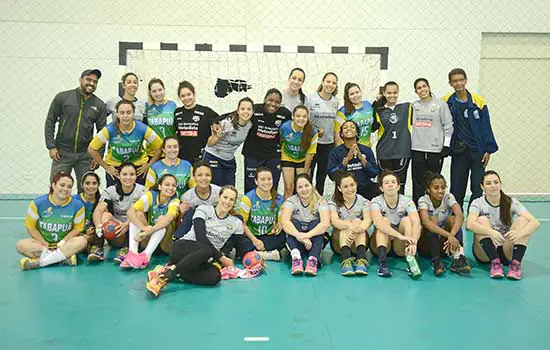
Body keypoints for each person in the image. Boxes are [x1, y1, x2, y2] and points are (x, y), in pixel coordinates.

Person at [145, 186, 243, 297]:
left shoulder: (236, 223)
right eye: (225, 197)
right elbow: (201, 236)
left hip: (201, 259)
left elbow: (240, 244)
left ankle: (167, 270)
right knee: (206, 249)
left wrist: (256, 257)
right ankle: (167, 277)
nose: (227, 202)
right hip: (183, 248)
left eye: (231, 199)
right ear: (219, 197)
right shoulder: (204, 209)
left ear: (234, 203)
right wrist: (221, 257)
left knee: (215, 277)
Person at [467, 171, 540, 280]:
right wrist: (491, 232)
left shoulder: (511, 202)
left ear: (500, 184)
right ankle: (495, 263)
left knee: (523, 221)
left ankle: (515, 265)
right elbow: (469, 224)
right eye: (488, 183)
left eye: (496, 182)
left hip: (505, 248)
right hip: (485, 252)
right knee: (481, 220)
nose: (493, 186)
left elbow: (535, 223)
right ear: (482, 187)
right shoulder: (478, 203)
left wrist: (520, 233)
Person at [443, 68, 498, 210]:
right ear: (450, 83)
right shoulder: (446, 102)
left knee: (477, 187)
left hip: (477, 152)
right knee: (457, 187)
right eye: (455, 81)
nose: (459, 83)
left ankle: (474, 216)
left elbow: (486, 126)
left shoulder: (478, 101)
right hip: (458, 151)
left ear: (466, 80)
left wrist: (488, 150)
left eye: (461, 80)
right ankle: (456, 217)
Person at [44, 69, 107, 193]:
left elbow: (102, 133)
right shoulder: (62, 97)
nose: (91, 83)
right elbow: (50, 121)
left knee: (87, 192)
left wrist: (98, 155)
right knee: (57, 189)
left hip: (85, 156)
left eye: (95, 81)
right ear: (81, 79)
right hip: (62, 153)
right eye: (88, 79)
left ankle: (85, 213)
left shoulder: (99, 105)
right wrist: (51, 146)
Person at [17, 172, 88, 270]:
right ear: (53, 185)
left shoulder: (77, 205)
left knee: (82, 241)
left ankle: (41, 262)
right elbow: (31, 227)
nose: (65, 189)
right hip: (43, 245)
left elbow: (77, 229)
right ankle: (61, 259)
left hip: (65, 244)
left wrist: (62, 243)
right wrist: (45, 243)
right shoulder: (37, 203)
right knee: (21, 245)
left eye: (69, 187)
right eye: (62, 185)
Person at [88, 100, 163, 186]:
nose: (125, 116)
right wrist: (106, 167)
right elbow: (91, 149)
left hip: (138, 168)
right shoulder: (109, 129)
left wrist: (149, 165)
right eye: (122, 113)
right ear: (117, 114)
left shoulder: (142, 128)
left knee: (139, 197)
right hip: (115, 169)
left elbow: (160, 147)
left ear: (133, 113)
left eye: (128, 112)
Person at [417, 173, 471, 276]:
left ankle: (458, 258)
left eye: (443, 187)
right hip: (427, 246)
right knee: (432, 221)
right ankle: (436, 261)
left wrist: (452, 234)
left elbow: (460, 215)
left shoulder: (448, 197)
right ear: (428, 190)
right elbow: (425, 222)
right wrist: (449, 235)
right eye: (436, 188)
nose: (440, 191)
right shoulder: (423, 200)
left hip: (446, 245)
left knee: (453, 219)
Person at [92, 163, 146, 262]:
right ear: (118, 176)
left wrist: (127, 224)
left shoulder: (142, 190)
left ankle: (127, 250)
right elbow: (98, 210)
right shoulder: (110, 190)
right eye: (124, 174)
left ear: (136, 176)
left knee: (138, 215)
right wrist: (98, 226)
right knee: (105, 215)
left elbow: (144, 214)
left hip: (134, 230)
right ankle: (98, 248)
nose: (128, 178)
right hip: (117, 231)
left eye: (132, 174)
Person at [411, 78, 454, 203]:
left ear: (429, 87)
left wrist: (446, 145)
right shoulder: (414, 106)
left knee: (433, 181)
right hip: (417, 149)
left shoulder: (441, 105)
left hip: (435, 150)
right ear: (416, 91)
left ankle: (433, 208)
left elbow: (448, 126)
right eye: (419, 88)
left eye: (424, 86)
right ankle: (418, 209)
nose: (422, 89)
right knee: (418, 181)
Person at [124, 174, 180, 269]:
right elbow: (130, 212)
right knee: (137, 214)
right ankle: (133, 252)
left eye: (174, 185)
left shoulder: (175, 200)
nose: (171, 188)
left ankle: (146, 256)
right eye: (167, 184)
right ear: (159, 186)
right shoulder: (150, 195)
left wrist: (147, 232)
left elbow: (169, 218)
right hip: (149, 240)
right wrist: (143, 228)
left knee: (163, 219)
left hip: (165, 244)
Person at [369, 171, 419, 278]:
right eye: (386, 183)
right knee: (384, 221)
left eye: (393, 182)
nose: (390, 184)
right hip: (381, 245)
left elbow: (416, 222)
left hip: (399, 246)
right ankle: (382, 263)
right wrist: (400, 236)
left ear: (398, 186)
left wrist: (413, 242)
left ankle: (411, 261)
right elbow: (378, 222)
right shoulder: (376, 201)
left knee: (407, 220)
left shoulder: (407, 201)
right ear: (381, 188)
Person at [242, 88, 292, 193]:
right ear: (265, 99)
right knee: (251, 185)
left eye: (277, 102)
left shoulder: (285, 114)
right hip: (253, 154)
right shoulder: (254, 109)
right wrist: (215, 122)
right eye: (270, 100)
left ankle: (271, 208)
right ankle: (249, 208)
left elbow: (297, 125)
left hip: (273, 156)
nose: (273, 104)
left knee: (272, 185)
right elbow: (235, 115)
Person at [280, 173, 330, 276]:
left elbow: (325, 224)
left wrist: (307, 235)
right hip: (297, 238)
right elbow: (285, 222)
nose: (304, 189)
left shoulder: (321, 202)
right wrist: (299, 236)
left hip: (313, 239)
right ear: (296, 189)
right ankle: (296, 259)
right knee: (294, 223)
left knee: (316, 223)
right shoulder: (291, 201)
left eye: (306, 185)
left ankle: (313, 260)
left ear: (312, 185)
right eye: (300, 187)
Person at [203, 97, 254, 186]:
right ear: (237, 111)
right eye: (242, 109)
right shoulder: (227, 123)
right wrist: (217, 136)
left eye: (249, 109)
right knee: (217, 189)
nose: (246, 112)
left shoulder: (250, 125)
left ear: (253, 112)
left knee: (230, 190)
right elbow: (209, 143)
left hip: (229, 159)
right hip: (214, 156)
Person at [372, 81, 412, 195]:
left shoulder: (407, 108)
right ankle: (384, 209)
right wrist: (375, 104)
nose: (392, 95)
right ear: (384, 93)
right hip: (384, 153)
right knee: (385, 183)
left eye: (395, 92)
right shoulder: (379, 110)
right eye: (389, 93)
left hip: (402, 152)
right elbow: (372, 128)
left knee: (400, 183)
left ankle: (400, 209)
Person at [329, 172, 371, 276]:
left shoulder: (363, 201)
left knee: (358, 221)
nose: (350, 189)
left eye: (352, 185)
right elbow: (334, 221)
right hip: (339, 244)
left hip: (358, 242)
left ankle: (361, 259)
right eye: (345, 186)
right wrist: (349, 226)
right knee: (346, 223)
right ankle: (345, 260)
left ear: (356, 184)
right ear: (339, 188)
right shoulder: (333, 201)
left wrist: (358, 228)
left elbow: (368, 220)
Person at [239, 167, 285, 261]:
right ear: (256, 181)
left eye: (269, 179)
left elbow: (281, 221)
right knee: (238, 238)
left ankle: (253, 253)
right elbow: (242, 224)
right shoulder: (247, 199)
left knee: (283, 237)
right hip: (251, 235)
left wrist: (279, 225)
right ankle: (267, 254)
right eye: (262, 179)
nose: (266, 182)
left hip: (268, 236)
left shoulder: (279, 199)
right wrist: (254, 240)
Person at [328, 120, 379, 199]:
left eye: (352, 127)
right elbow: (332, 175)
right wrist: (346, 159)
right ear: (341, 134)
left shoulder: (366, 150)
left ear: (357, 133)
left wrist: (361, 158)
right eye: (345, 128)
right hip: (345, 190)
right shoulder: (335, 152)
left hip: (365, 189)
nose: (349, 129)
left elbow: (374, 173)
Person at [306, 72, 339, 195]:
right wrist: (315, 130)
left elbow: (335, 124)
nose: (330, 84)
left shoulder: (335, 101)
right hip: (312, 143)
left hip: (328, 145)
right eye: (328, 81)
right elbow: (304, 120)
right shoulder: (311, 98)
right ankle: (306, 202)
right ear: (322, 82)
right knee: (308, 175)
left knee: (321, 177)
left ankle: (318, 203)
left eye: (333, 82)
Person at [172, 161, 222, 241]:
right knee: (191, 212)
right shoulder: (187, 197)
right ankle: (178, 240)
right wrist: (181, 214)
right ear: (194, 177)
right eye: (199, 175)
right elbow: (180, 223)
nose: (204, 178)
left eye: (207, 175)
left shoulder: (220, 192)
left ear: (211, 177)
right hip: (195, 227)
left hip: (216, 226)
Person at [173, 80, 219, 163]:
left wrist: (215, 124)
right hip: (182, 158)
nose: (186, 98)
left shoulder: (205, 111)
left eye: (189, 94)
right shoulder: (177, 113)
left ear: (194, 94)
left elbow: (219, 120)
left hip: (201, 157)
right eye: (183, 96)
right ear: (179, 97)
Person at [280, 105, 318, 198]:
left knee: (303, 187)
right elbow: (280, 142)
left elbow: (309, 155)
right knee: (289, 188)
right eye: (298, 116)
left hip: (302, 160)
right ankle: (285, 210)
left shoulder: (313, 131)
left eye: (304, 116)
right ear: (293, 117)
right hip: (287, 157)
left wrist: (305, 174)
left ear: (307, 117)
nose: (301, 119)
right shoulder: (285, 127)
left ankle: (303, 210)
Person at [335, 82, 375, 147]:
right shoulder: (342, 112)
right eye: (352, 94)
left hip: (367, 148)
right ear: (347, 96)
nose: (355, 95)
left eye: (357, 92)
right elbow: (337, 136)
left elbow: (373, 127)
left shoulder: (368, 105)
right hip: (350, 149)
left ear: (360, 92)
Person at [72, 172, 101, 258]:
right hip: (77, 233)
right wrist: (82, 232)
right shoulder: (74, 200)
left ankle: (94, 248)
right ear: (82, 185)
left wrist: (95, 229)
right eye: (87, 183)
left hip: (93, 234)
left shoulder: (101, 201)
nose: (91, 186)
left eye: (94, 183)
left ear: (98, 185)